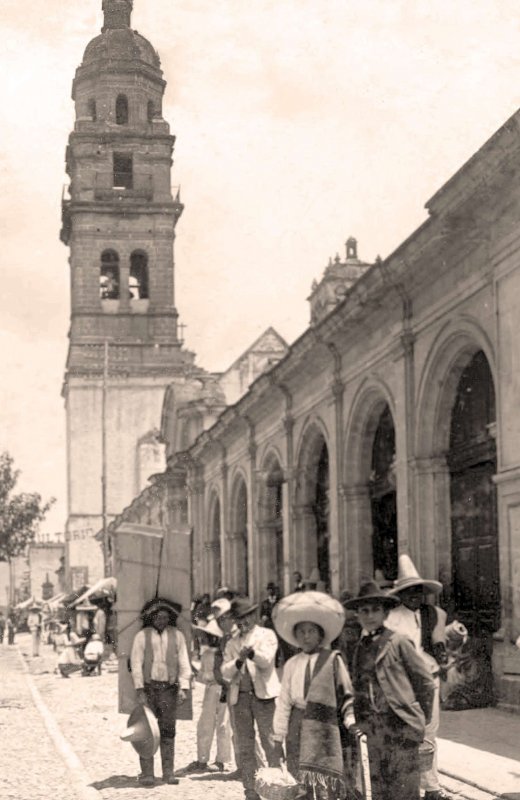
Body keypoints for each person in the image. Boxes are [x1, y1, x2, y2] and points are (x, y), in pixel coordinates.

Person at [345, 582, 435, 800]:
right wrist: (361, 720)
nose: (370, 616)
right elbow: (358, 687)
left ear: (385, 613)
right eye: (364, 611)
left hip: (402, 728)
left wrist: (416, 716)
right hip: (375, 730)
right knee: (379, 789)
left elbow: (425, 683)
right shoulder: (359, 647)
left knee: (404, 789)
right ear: (357, 615)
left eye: (375, 610)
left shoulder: (399, 642)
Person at [272, 590, 356, 800]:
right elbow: (284, 701)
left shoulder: (333, 660)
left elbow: (346, 694)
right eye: (301, 632)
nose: (306, 636)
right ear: (295, 636)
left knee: (326, 777)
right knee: (300, 775)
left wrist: (350, 719)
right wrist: (278, 734)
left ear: (320, 635)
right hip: (298, 721)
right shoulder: (292, 664)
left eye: (311, 631)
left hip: (325, 725)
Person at [386, 555, 451, 800]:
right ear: (400, 594)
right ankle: (405, 785)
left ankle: (431, 787)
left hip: (428, 678)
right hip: (403, 681)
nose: (414, 596)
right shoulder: (391, 617)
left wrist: (446, 651)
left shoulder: (433, 614)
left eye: (418, 591)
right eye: (409, 592)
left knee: (429, 731)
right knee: (405, 731)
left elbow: (439, 644)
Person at [221, 597, 280, 800]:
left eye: (245, 617)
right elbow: (225, 672)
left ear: (253, 616)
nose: (242, 622)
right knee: (245, 746)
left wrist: (252, 654)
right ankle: (251, 790)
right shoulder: (232, 642)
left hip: (264, 697)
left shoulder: (266, 635)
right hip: (241, 699)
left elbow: (267, 660)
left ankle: (276, 788)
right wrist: (238, 661)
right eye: (238, 619)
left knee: (270, 743)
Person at [130, 597, 191, 786]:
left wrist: (184, 687)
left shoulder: (177, 635)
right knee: (146, 731)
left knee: (167, 730)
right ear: (151, 618)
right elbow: (136, 663)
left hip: (169, 689)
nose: (161, 621)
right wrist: (139, 689)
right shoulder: (142, 636)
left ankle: (168, 772)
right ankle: (147, 773)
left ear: (169, 618)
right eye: (158, 617)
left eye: (165, 617)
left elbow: (184, 662)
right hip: (149, 688)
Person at [177, 617, 232, 775]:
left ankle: (222, 761)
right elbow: (203, 677)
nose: (204, 639)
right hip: (211, 690)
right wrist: (193, 670)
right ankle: (202, 759)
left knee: (223, 725)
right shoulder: (207, 654)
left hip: (222, 689)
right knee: (205, 724)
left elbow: (225, 674)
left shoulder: (223, 654)